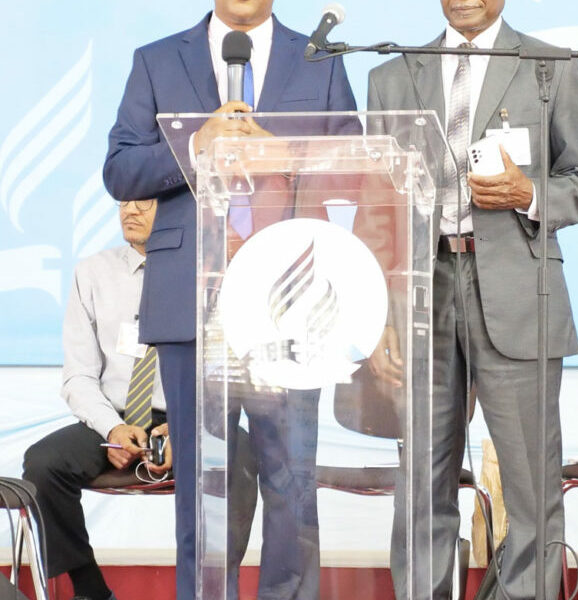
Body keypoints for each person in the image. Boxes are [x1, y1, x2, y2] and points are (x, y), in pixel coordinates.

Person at [102, 2, 357, 598]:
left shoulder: (318, 59)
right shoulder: (157, 60)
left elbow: (354, 165)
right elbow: (121, 170)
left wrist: (285, 156)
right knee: (200, 487)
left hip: (291, 300)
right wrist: (197, 146)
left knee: (292, 485)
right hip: (192, 299)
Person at [367, 1, 578, 599]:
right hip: (421, 288)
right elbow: (377, 204)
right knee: (422, 479)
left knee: (529, 483)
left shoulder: (550, 67)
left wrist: (530, 193)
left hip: (519, 289)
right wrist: (381, 314)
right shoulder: (392, 75)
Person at [23, 199, 170, 600]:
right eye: (124, 201)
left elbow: (219, 375)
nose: (130, 210)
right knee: (44, 464)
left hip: (182, 418)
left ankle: (214, 586)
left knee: (240, 456)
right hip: (114, 415)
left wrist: (186, 429)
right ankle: (91, 590)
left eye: (144, 202)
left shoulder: (205, 272)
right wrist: (114, 428)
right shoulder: (92, 273)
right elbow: (79, 375)